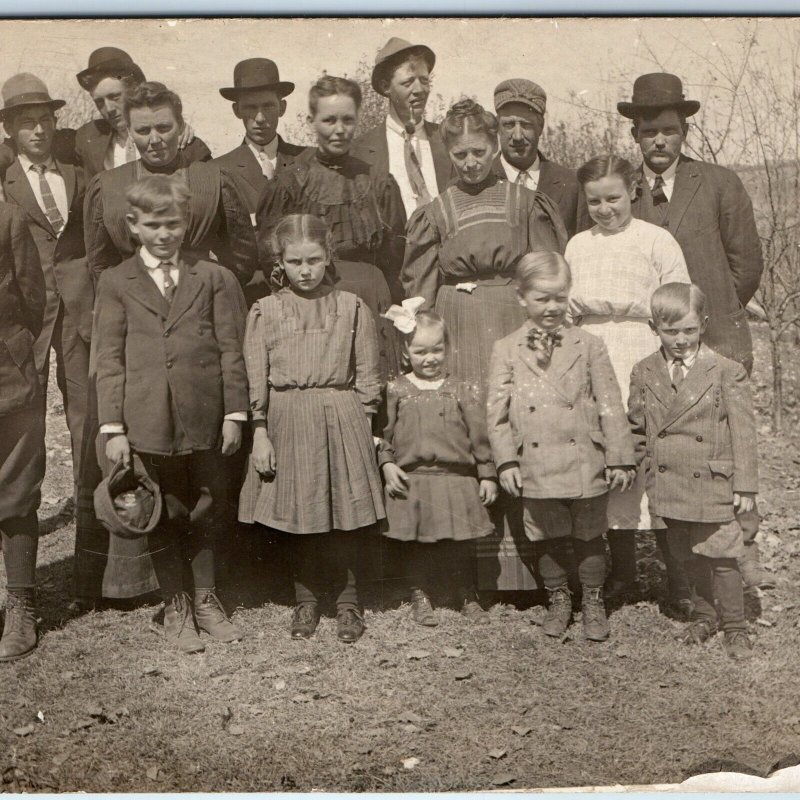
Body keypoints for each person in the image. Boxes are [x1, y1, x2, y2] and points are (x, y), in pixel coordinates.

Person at [75, 81, 255, 608]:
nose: (155, 140)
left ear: (181, 126)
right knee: (152, 487)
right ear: (127, 132)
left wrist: (207, 280)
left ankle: (212, 592)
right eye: (143, 130)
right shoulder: (107, 187)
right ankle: (154, 593)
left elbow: (243, 251)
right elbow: (99, 262)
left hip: (200, 334)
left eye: (164, 128)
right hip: (142, 349)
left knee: (208, 487)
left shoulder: (210, 178)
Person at [401, 98, 567, 593]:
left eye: (479, 151)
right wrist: (423, 330)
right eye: (461, 155)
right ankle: (478, 574)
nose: (471, 163)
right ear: (448, 154)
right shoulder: (437, 210)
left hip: (513, 320)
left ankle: (538, 571)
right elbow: (421, 283)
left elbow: (544, 271)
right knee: (471, 424)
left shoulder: (523, 202)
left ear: (495, 147)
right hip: (461, 324)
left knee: (519, 422)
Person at [619, 72, 768, 588]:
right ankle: (684, 584)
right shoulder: (624, 193)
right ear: (634, 135)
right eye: (648, 132)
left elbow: (745, 266)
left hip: (714, 342)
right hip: (655, 351)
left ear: (685, 131)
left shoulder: (720, 183)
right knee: (670, 464)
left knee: (723, 462)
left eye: (669, 130)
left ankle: (738, 573)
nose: (659, 141)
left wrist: (711, 320)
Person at [94, 175, 248, 654]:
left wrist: (235, 413)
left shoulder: (214, 277)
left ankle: (205, 598)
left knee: (206, 503)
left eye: (174, 225)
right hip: (146, 419)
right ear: (134, 226)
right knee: (161, 509)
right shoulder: (116, 282)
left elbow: (231, 349)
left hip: (204, 413)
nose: (165, 235)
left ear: (188, 224)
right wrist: (114, 428)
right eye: (155, 225)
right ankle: (176, 603)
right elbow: (109, 359)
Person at [238, 214, 384, 644]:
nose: (306, 270)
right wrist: (260, 431)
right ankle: (306, 600)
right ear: (280, 261)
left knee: (345, 516)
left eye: (314, 260)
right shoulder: (265, 310)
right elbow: (255, 376)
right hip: (287, 416)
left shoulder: (351, 306)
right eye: (296, 261)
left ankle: (348, 604)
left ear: (329, 258)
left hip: (342, 415)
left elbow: (369, 373)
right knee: (299, 514)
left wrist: (364, 426)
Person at [486, 252, 636, 641]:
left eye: (559, 297)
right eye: (541, 298)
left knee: (588, 534)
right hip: (535, 462)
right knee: (547, 535)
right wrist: (505, 462)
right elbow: (496, 414)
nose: (552, 307)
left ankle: (592, 601)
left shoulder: (589, 344)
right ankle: (558, 600)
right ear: (521, 298)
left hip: (585, 456)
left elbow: (610, 404)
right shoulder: (506, 348)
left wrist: (619, 457)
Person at [565, 154, 691, 607]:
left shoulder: (656, 240)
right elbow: (565, 306)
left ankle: (678, 579)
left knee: (651, 455)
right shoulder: (578, 244)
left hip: (643, 350)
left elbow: (679, 303)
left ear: (633, 190)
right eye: (594, 200)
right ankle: (622, 573)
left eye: (613, 198)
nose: (605, 209)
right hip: (594, 354)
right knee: (610, 455)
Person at [628, 283, 758, 659]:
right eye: (671, 332)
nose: (681, 339)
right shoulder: (644, 371)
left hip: (712, 481)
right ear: (654, 328)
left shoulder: (726, 371)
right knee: (688, 554)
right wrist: (628, 465)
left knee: (721, 553)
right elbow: (637, 428)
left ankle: (735, 627)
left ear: (703, 324)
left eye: (689, 330)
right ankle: (704, 614)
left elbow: (744, 434)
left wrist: (746, 485)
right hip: (669, 483)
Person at [255, 75, 404, 377]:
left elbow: (396, 255)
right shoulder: (291, 181)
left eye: (348, 120)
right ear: (312, 121)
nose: (339, 130)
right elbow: (270, 255)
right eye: (329, 120)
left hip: (370, 301)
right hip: (311, 305)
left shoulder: (378, 182)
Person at [0, 74, 93, 494]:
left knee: (84, 410)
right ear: (9, 130)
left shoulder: (77, 174)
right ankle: (20, 512)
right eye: (27, 122)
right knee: (26, 415)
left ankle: (91, 513)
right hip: (27, 315)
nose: (39, 130)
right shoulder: (5, 182)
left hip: (77, 309)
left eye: (46, 120)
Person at [378, 303, 497, 625]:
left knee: (460, 544)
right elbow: (383, 435)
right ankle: (420, 593)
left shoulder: (461, 388)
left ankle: (467, 594)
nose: (429, 358)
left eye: (436, 350)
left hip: (456, 478)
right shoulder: (396, 390)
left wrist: (486, 474)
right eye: (420, 352)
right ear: (406, 353)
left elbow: (479, 434)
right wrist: (387, 463)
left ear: (447, 348)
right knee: (418, 545)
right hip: (414, 479)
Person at [0, 200, 46, 661]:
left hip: (7, 377)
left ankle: (21, 604)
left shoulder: (9, 218)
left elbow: (34, 300)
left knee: (15, 490)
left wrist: (12, 348)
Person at [352, 37, 451, 220]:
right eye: (408, 83)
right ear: (385, 87)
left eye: (424, 80)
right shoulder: (361, 151)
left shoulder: (448, 139)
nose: (420, 89)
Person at [492, 78, 590, 238]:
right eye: (509, 125)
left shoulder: (572, 184)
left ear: (541, 126)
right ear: (497, 126)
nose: (517, 136)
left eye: (526, 125)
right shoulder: (480, 182)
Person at [214, 58, 304, 216]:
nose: (260, 118)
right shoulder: (218, 170)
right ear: (237, 110)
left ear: (282, 108)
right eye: (250, 107)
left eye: (268, 106)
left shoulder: (308, 160)